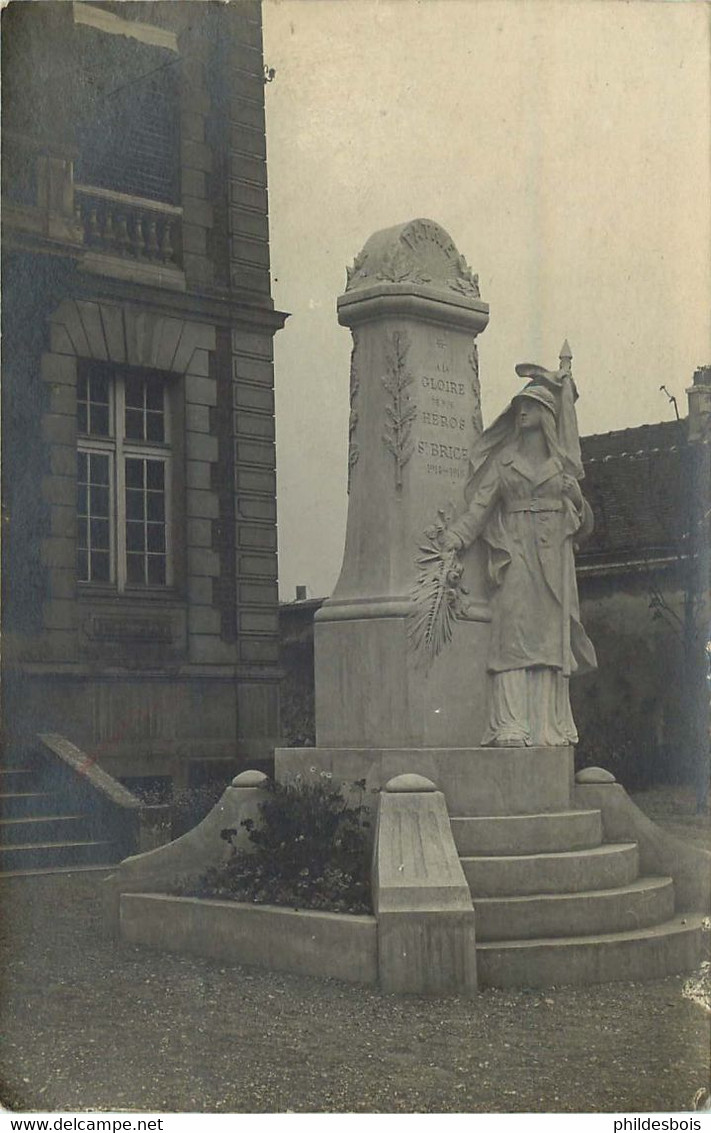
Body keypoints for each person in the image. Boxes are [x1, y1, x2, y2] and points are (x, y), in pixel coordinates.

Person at [441, 363, 597, 747]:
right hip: (514, 551)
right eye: (518, 406)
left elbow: (585, 523)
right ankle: (509, 723)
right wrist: (458, 537)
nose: (521, 411)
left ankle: (547, 726)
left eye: (530, 405)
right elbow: (479, 508)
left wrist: (573, 495)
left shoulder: (561, 467)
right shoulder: (504, 461)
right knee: (512, 633)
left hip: (553, 559)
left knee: (548, 639)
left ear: (545, 414)